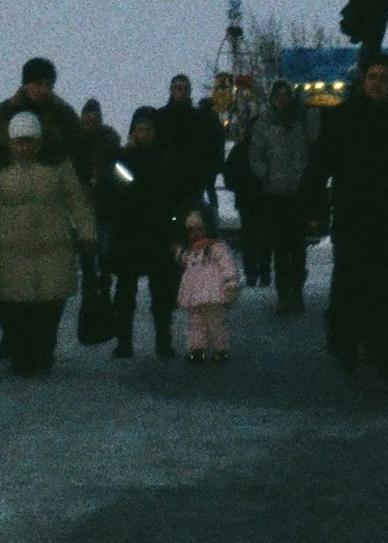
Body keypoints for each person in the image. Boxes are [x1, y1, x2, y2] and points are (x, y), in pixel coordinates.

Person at [309, 51, 388, 379]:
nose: (377, 84)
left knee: (387, 289)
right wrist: (316, 206)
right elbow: (320, 165)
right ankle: (348, 343)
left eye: (383, 78)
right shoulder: (343, 117)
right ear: (363, 80)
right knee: (350, 284)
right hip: (352, 216)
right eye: (372, 77)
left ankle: (384, 350)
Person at [0, 110, 96, 376]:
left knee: (49, 307)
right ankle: (21, 354)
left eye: (30, 140)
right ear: (10, 141)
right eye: (20, 141)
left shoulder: (58, 164)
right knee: (14, 308)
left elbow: (75, 199)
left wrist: (87, 231)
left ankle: (44, 350)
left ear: (40, 141)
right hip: (10, 250)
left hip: (54, 247)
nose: (25, 146)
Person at [99, 108, 186, 359]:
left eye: (148, 129)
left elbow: (175, 196)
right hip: (130, 232)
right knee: (125, 291)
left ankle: (163, 339)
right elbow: (113, 192)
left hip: (158, 233)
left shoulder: (168, 160)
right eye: (139, 130)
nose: (144, 134)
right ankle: (124, 340)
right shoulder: (124, 159)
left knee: (162, 292)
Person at [237, 81, 318, 311]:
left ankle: (297, 290)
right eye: (278, 95)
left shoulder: (301, 120)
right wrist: (266, 174)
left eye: (286, 95)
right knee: (281, 247)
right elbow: (256, 155)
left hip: (299, 192)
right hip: (275, 193)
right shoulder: (264, 123)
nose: (282, 99)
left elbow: (315, 143)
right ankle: (284, 293)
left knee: (298, 245)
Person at [0, 57, 82, 170]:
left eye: (48, 85)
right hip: (11, 183)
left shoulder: (64, 115)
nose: (43, 89)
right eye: (38, 84)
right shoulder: (3, 113)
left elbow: (79, 154)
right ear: (26, 84)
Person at [175, 209, 243, 362]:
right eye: (192, 231)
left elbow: (228, 266)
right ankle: (197, 348)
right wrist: (179, 253)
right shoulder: (191, 251)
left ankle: (220, 348)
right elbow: (184, 261)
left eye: (199, 229)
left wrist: (231, 283)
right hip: (194, 294)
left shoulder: (217, 248)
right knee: (195, 323)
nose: (196, 234)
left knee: (216, 323)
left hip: (213, 293)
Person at [156, 74, 225, 211]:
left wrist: (206, 170)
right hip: (165, 182)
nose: (180, 92)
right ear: (171, 90)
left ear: (189, 91)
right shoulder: (160, 117)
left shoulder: (200, 120)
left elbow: (211, 147)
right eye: (177, 88)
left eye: (184, 88)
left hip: (192, 183)